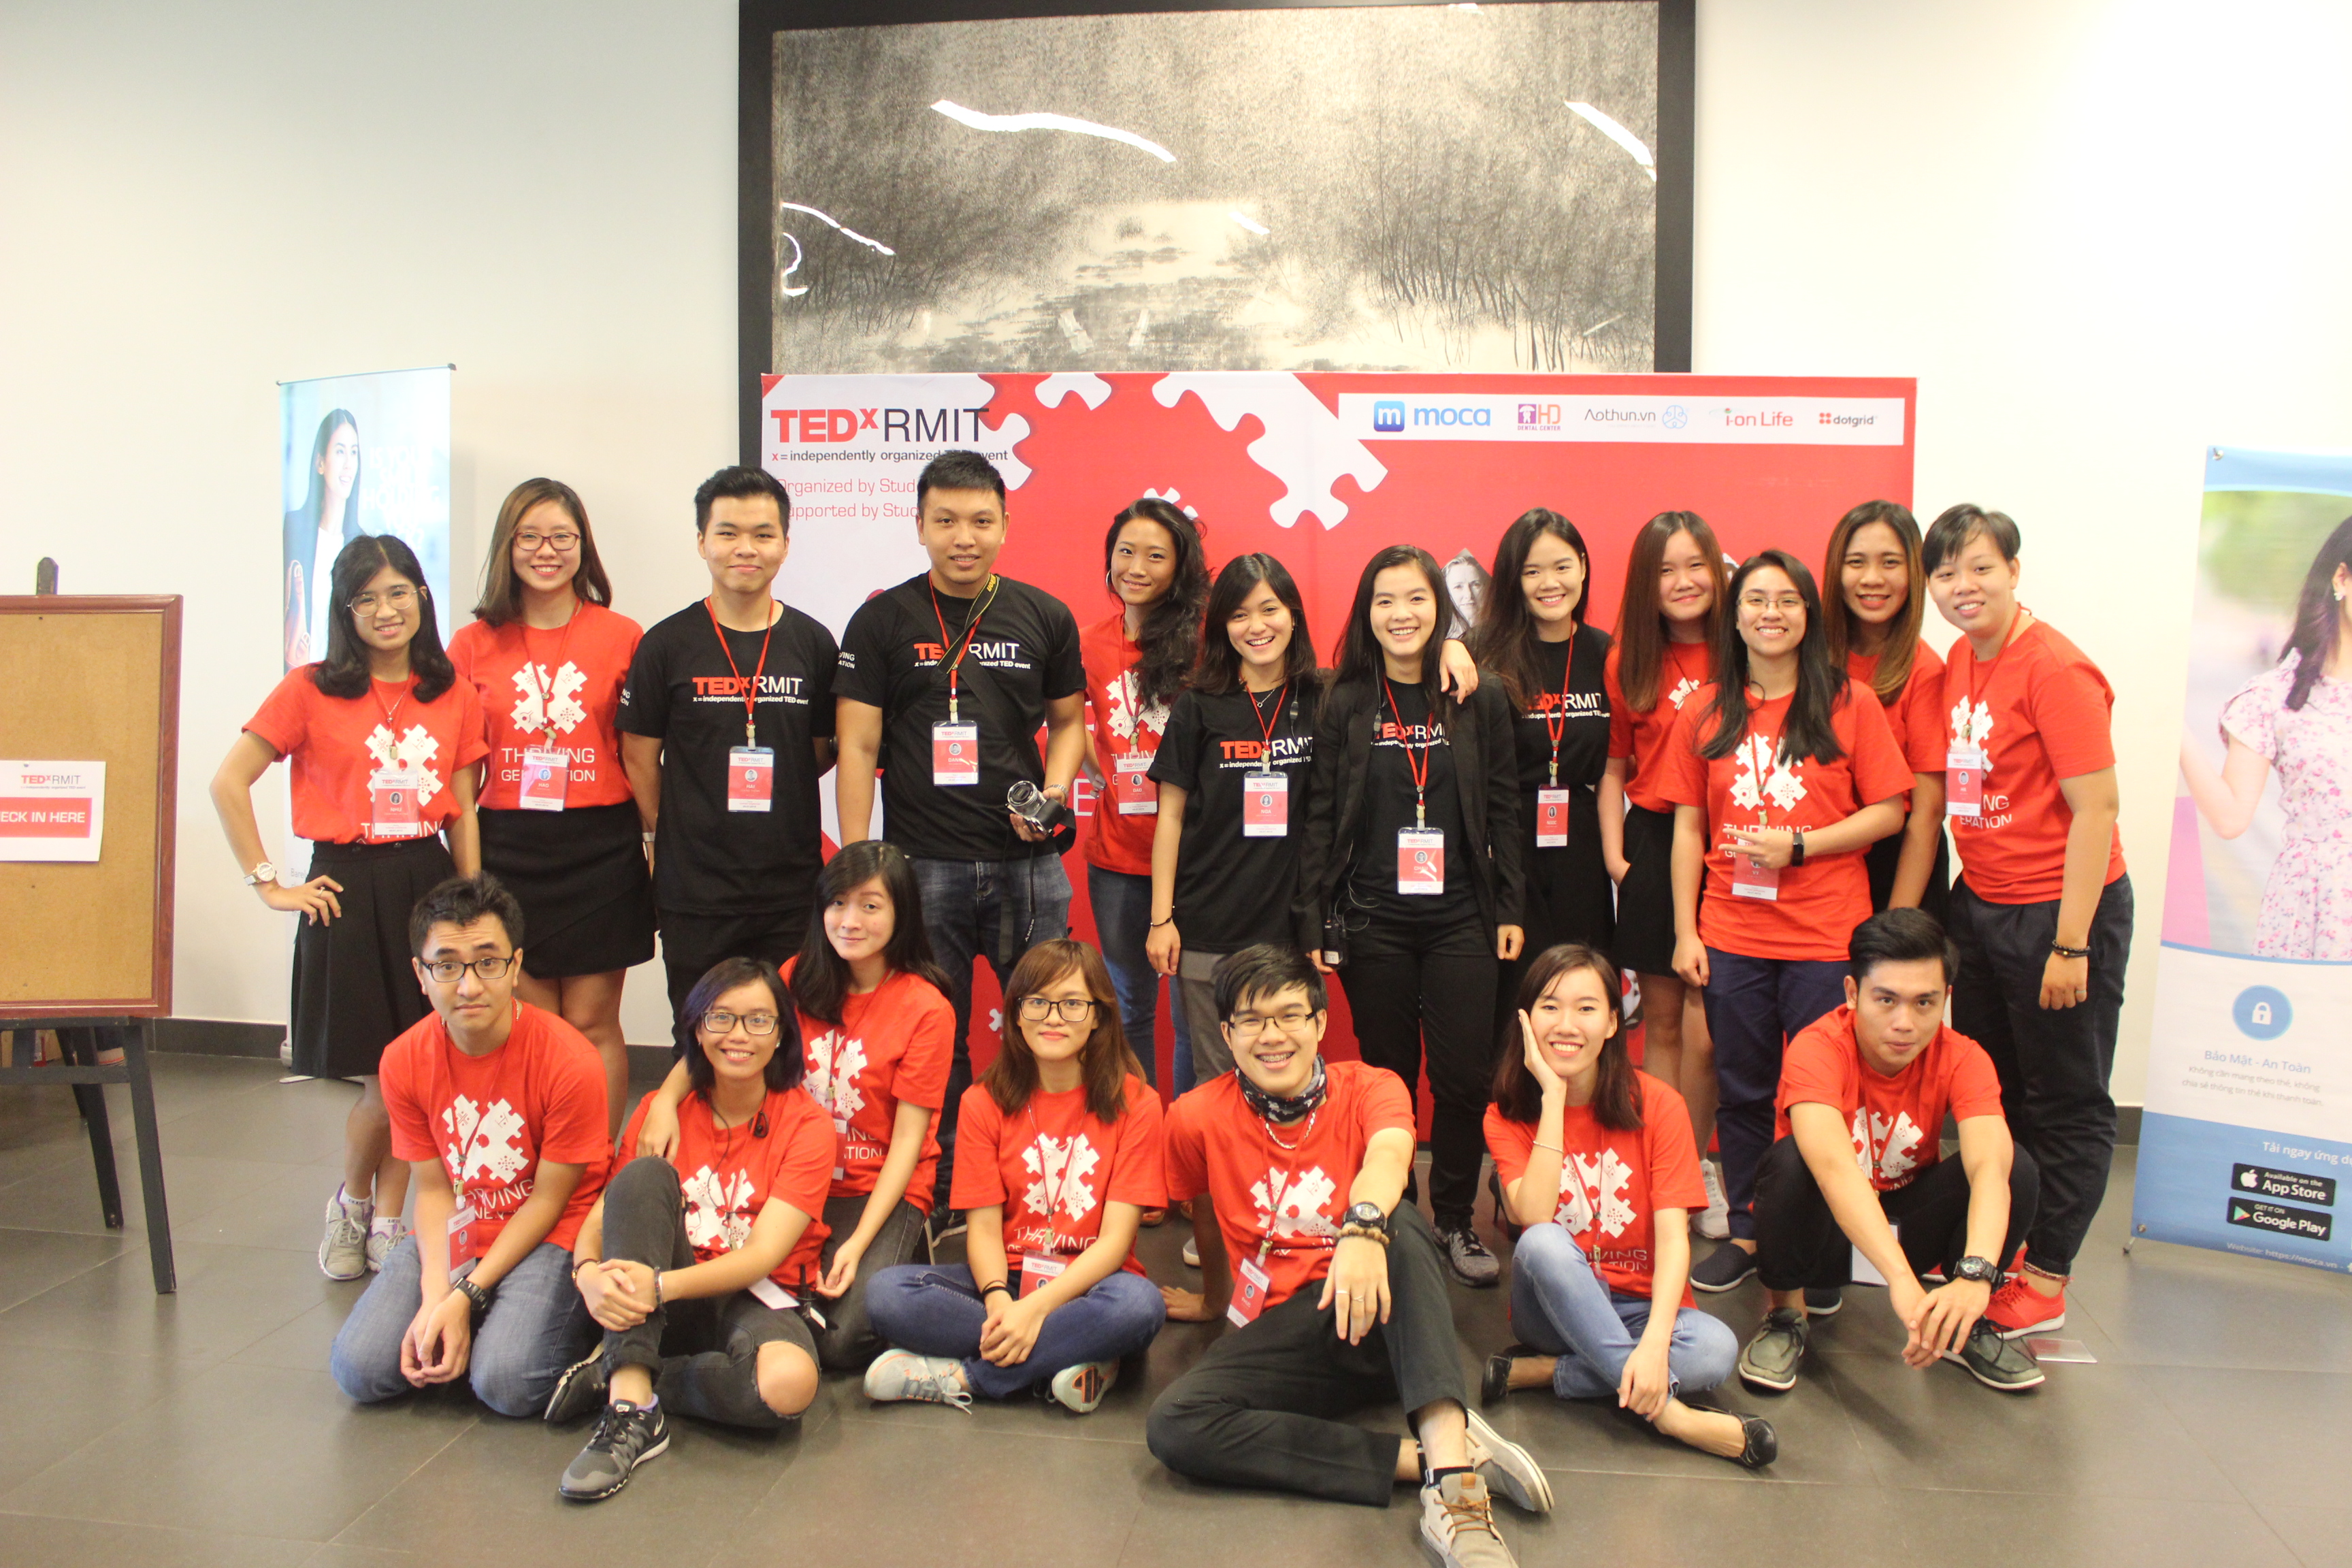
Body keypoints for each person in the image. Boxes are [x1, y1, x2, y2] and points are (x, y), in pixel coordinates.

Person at [1147, 946, 1551, 1568]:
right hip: (1291, 1335)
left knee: (1401, 1221)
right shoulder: (1195, 1116)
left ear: (1318, 1023)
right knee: (1175, 1424)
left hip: (1389, 1320)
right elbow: (1199, 1203)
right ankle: (1431, 1459)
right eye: (1252, 1020)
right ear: (1226, 1033)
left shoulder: (1370, 1085)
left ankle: (1456, 1493)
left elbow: (1392, 1154)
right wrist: (1212, 1300)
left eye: (1289, 1015)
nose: (1272, 1035)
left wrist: (1362, 1229)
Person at [213, 534, 487, 1280]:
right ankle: (355, 1202)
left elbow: (461, 808)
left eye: (398, 591)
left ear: (422, 598)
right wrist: (270, 882)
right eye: (365, 597)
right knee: (377, 1075)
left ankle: (391, 1221)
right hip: (344, 887)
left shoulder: (451, 690)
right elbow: (228, 782)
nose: (384, 609)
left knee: (421, 1068)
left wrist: (473, 903)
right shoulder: (310, 688)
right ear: (345, 610)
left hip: (426, 885)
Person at [835, 448, 1085, 1225]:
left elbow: (1070, 724)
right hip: (922, 867)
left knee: (1044, 1021)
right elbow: (858, 746)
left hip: (1027, 866)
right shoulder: (883, 620)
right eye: (945, 520)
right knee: (933, 1038)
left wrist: (1049, 796)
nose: (963, 536)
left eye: (980, 520)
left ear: (1006, 526)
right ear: (919, 526)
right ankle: (940, 1185)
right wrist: (859, 865)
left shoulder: (1043, 615)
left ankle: (1039, 1178)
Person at [1664, 549, 1910, 1292]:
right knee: (1742, 1087)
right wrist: (1685, 931)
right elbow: (1686, 829)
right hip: (1734, 933)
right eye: (1756, 600)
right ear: (1734, 616)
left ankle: (1811, 1240)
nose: (1771, 613)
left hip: (1825, 937)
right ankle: (1745, 1227)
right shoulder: (1707, 709)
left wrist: (1800, 846)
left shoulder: (1849, 703)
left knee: (1819, 1097)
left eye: (1788, 601)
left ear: (1809, 615)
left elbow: (1889, 810)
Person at [1925, 504, 2132, 1337]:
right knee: (1996, 1094)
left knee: (2067, 1101)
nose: (1962, 587)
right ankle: (2001, 1249)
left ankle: (2046, 1276)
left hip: (2057, 912)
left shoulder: (2053, 668)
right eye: (1946, 574)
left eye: (1979, 568)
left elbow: (2098, 809)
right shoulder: (1963, 663)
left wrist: (2071, 942)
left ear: (2014, 569)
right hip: (1984, 905)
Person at [636, 840, 953, 1369]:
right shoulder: (796, 976)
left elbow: (908, 1145)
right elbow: (725, 1040)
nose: (850, 920)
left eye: (870, 906)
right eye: (836, 903)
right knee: (746, 1278)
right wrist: (666, 1101)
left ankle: (898, 1266)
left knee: (838, 1339)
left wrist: (859, 1243)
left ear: (903, 912)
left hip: (872, 1186)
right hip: (787, 1170)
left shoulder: (926, 1009)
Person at [1298, 544, 1522, 1287]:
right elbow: (1321, 815)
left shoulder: (1476, 694)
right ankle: (1393, 1219)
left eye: (1417, 600)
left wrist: (1510, 903)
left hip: (1463, 914)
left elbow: (1503, 803)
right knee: (1387, 1075)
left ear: (1441, 609)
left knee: (1463, 1076)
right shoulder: (1344, 699)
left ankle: (1455, 1219)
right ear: (1367, 613)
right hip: (1373, 919)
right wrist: (1316, 919)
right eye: (1386, 601)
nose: (1402, 615)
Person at [545, 956, 832, 1501]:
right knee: (645, 1175)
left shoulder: (808, 1126)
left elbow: (763, 1255)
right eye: (720, 1018)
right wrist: (584, 1273)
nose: (739, 1036)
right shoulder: (659, 1110)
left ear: (782, 1036)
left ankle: (623, 1374)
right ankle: (630, 1412)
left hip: (752, 1296)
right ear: (697, 1030)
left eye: (758, 1021)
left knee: (788, 1386)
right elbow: (605, 1214)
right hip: (666, 1286)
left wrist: (657, 1288)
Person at [1480, 943, 1773, 1467]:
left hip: (1641, 1306)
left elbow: (1674, 1237)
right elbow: (1536, 1217)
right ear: (1526, 1021)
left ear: (1614, 1023)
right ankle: (1672, 1418)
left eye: (1586, 1009)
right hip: (1550, 1307)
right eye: (1550, 1006)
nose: (1567, 1024)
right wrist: (1551, 1096)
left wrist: (1658, 1339)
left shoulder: (1658, 1104)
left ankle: (1550, 1372)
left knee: (1716, 1350)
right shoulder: (1506, 1115)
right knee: (1545, 1242)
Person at [327, 874, 609, 1416]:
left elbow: (550, 1200)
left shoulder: (571, 1061)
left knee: (507, 1383)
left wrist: (468, 1295)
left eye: (487, 962)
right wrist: (438, 1292)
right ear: (421, 974)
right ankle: (481, 1325)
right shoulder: (403, 1059)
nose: (470, 986)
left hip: (550, 1231)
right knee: (358, 1369)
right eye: (447, 966)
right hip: (459, 1227)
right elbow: (433, 1189)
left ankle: (544, 1336)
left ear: (515, 966)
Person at [1736, 909, 2044, 1394]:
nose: (1906, 1023)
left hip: (1905, 1222)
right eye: (1886, 1000)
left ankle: (1962, 1327)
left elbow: (1989, 1167)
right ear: (1853, 994)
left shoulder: (1964, 1056)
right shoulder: (1817, 1049)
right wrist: (1902, 1280)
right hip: (1826, 1234)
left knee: (2013, 1168)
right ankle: (1786, 1316)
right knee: (1791, 1160)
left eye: (1925, 1003)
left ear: (1946, 998)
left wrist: (1976, 1275)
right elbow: (1835, 1171)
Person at [862, 938, 1168, 1412]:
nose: (1053, 1018)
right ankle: (1080, 1356)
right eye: (1037, 1003)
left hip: (1094, 1284)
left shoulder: (1137, 1103)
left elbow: (1115, 1243)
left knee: (1139, 1307)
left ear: (1099, 1016)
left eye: (1072, 1004)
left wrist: (1036, 1311)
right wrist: (1001, 1302)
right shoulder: (983, 1102)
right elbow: (982, 1230)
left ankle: (966, 1377)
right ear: (1016, 1015)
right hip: (1009, 1276)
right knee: (886, 1294)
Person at [450, 478, 652, 1134]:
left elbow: (639, 753)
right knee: (530, 1026)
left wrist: (654, 844)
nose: (547, 551)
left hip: (600, 847)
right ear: (507, 547)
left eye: (562, 537)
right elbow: (462, 774)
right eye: (530, 537)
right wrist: (471, 879)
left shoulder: (623, 636)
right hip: (509, 847)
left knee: (593, 1024)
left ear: (583, 547)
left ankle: (599, 1165)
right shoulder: (472, 644)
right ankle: (544, 1171)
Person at [618, 466, 837, 1019]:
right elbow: (640, 758)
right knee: (699, 1032)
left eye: (763, 535)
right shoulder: (666, 644)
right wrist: (677, 829)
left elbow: (819, 750)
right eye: (728, 533)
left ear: (786, 544)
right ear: (701, 542)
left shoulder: (812, 643)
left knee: (788, 1032)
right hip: (695, 890)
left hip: (789, 885)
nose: (747, 549)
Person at [1599, 511, 1729, 1237]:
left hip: (1733, 843)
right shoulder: (1630, 660)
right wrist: (1619, 858)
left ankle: (1702, 1158)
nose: (1682, 583)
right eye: (1664, 570)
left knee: (1712, 1029)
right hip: (1653, 839)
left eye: (1695, 565)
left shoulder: (1744, 645)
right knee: (1666, 1021)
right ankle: (1665, 1163)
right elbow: (1615, 766)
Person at [1149, 552, 1324, 1084]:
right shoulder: (1198, 706)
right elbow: (1171, 819)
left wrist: (1453, 649)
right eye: (1239, 614)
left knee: (1290, 1077)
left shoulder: (1325, 697)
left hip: (1291, 930)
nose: (1257, 627)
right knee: (1218, 1081)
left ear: (1293, 614)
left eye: (1269, 609)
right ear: (1223, 626)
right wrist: (1161, 919)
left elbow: (1402, 664)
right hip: (1209, 926)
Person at [1469, 509, 1616, 1031]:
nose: (1549, 584)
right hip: (1507, 838)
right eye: (1532, 571)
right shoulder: (1481, 652)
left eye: (1561, 566)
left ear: (1582, 566)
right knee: (1515, 997)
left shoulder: (1608, 654)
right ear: (1513, 578)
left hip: (1582, 835)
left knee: (1582, 990)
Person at [2180, 513, 2352, 958]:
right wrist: (2174, 732)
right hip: (2316, 909)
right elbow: (2231, 818)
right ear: (2341, 579)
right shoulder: (2275, 695)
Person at [1081, 496, 1209, 1095]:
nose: (1135, 566)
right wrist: (1097, 767)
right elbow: (1071, 725)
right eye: (1125, 551)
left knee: (1191, 1017)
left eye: (1155, 556)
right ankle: (1139, 1145)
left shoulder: (1208, 643)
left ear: (1179, 566)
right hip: (1117, 859)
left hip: (1195, 858)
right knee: (1128, 1006)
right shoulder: (1089, 643)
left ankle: (1183, 1150)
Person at [1822, 500, 1951, 920]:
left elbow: (1928, 812)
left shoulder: (1925, 670)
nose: (1872, 579)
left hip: (1898, 864)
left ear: (1914, 572)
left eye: (1890, 562)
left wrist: (1897, 921)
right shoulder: (1810, 658)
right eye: (1856, 562)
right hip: (1821, 858)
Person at [282, 408, 361, 668]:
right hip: (297, 680)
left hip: (345, 684)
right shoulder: (294, 529)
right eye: (340, 451)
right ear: (320, 462)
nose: (349, 463)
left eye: (354, 452)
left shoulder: (362, 545)